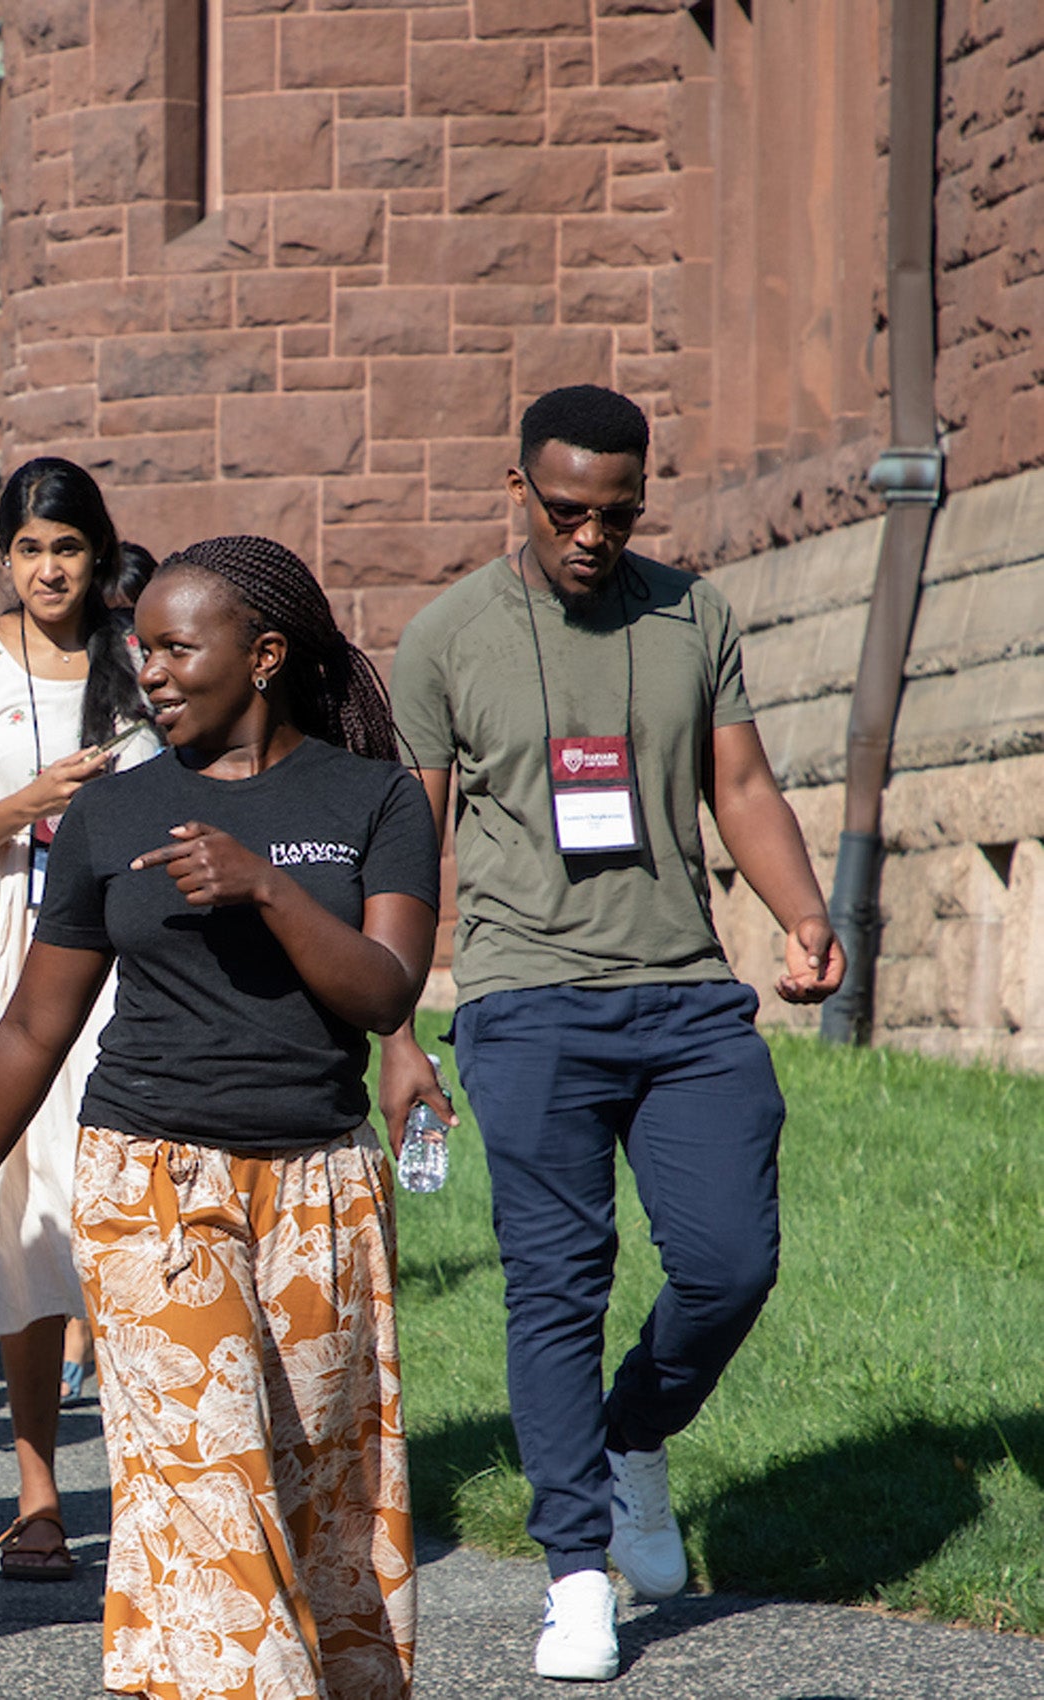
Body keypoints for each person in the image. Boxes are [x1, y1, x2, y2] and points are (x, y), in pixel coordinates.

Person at [385, 384, 844, 1683]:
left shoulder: (690, 611)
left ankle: (632, 1436)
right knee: (554, 1284)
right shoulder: (446, 637)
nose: (591, 536)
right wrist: (398, 1028)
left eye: (616, 512)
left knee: (728, 1263)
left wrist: (802, 915)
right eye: (568, 510)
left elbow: (737, 781)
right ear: (517, 489)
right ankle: (574, 1576)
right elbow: (408, 846)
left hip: (684, 994)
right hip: (524, 1001)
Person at [0, 535, 435, 1700]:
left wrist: (267, 885)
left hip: (320, 1186)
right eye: (138, 646)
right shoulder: (114, 814)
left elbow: (384, 989)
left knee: (320, 1500)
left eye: (173, 646)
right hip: (149, 1177)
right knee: (204, 1486)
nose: (147, 668)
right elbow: (32, 1027)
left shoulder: (374, 797)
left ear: (262, 655)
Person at [0, 455, 159, 1582]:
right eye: (30, 549)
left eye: (69, 546)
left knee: (118, 1200)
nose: (50, 567)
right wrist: (33, 803)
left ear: (99, 554)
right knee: (21, 1205)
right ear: (3, 558)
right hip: (5, 945)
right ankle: (37, 1489)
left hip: (125, 958)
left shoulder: (140, 660)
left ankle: (151, 1485)